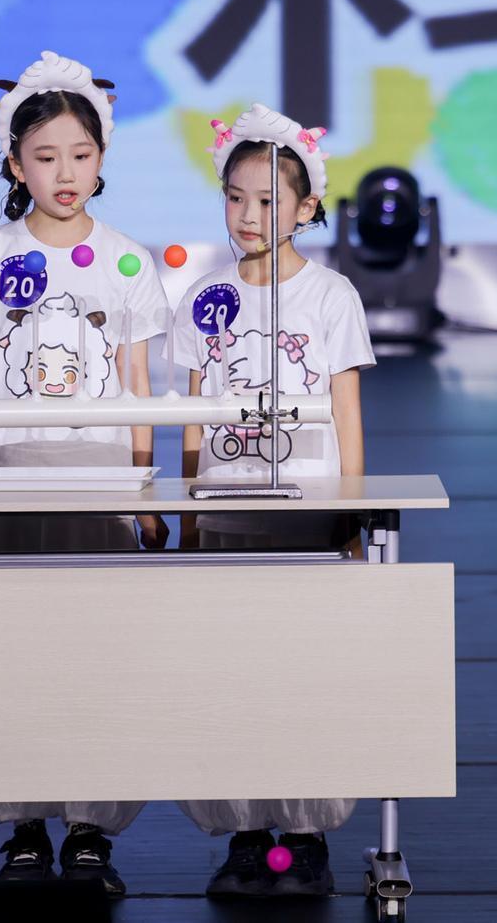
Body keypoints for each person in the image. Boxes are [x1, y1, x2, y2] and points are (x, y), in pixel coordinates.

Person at [0, 51, 171, 897]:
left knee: (98, 652)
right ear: (14, 163)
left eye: (80, 154)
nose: (65, 173)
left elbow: (139, 384)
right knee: (11, 652)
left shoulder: (128, 260)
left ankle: (90, 827)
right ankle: (25, 825)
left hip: (99, 484)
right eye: (45, 156)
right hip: (5, 480)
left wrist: (145, 487)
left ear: (102, 158)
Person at [168, 102, 376, 898]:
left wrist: (352, 511)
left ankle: (307, 833)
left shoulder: (330, 296)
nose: (248, 216)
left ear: (306, 206)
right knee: (232, 673)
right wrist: (191, 511)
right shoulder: (204, 296)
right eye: (235, 197)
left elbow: (347, 410)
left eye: (267, 200)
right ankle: (248, 833)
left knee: (305, 673)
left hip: (308, 516)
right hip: (229, 513)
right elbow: (192, 414)